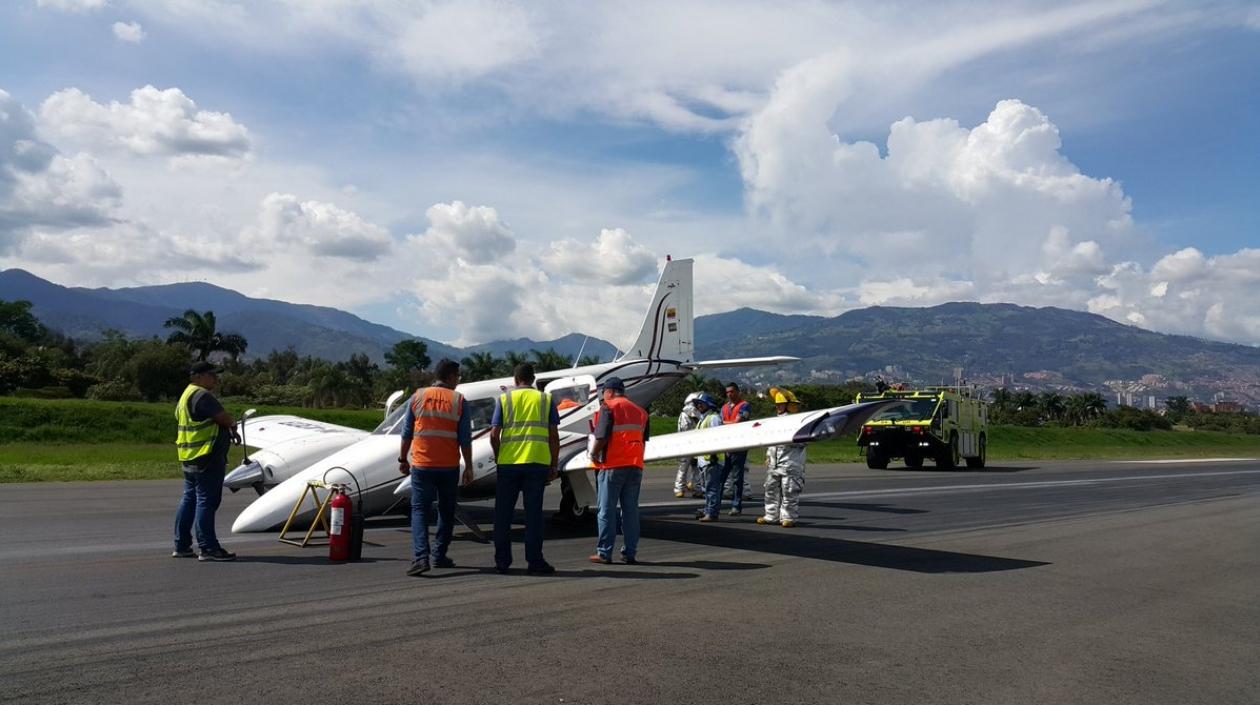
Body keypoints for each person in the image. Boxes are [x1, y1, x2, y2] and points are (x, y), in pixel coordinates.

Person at [397, 359, 474, 577]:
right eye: (458, 376)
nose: (458, 380)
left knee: (420, 510)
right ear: (450, 377)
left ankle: (421, 558)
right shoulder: (459, 401)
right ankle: (439, 555)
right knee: (446, 510)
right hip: (449, 466)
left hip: (422, 465)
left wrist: (403, 459)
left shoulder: (418, 396)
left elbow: (407, 433)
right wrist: (468, 466)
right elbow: (465, 439)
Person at [490, 363, 561, 575]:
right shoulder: (545, 399)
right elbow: (553, 436)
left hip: (509, 465)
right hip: (537, 463)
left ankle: (502, 561)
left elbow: (494, 435)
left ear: (515, 380)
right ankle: (535, 561)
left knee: (503, 515)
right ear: (533, 379)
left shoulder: (505, 399)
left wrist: (499, 457)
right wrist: (554, 464)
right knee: (533, 515)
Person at [173, 361, 241, 561]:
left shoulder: (185, 395)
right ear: (198, 377)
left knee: (189, 499)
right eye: (211, 374)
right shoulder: (203, 395)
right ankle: (208, 547)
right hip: (207, 457)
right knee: (206, 501)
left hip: (189, 457)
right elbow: (224, 418)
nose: (215, 378)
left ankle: (182, 545)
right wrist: (233, 424)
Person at [587, 377, 650, 564]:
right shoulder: (641, 412)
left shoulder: (608, 408)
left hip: (612, 466)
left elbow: (601, 436)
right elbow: (643, 440)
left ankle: (604, 552)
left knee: (606, 510)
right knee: (630, 510)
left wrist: (593, 454)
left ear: (609, 392)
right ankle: (630, 552)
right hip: (635, 466)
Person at [757, 388, 806, 528]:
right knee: (770, 489)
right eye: (777, 404)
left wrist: (790, 439)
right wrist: (768, 456)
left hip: (791, 463)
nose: (778, 406)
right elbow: (771, 442)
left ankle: (788, 517)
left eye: (781, 404)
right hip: (774, 463)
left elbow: (804, 441)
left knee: (789, 490)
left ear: (788, 405)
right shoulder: (774, 421)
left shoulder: (798, 421)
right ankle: (771, 516)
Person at [719, 382, 753, 514]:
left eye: (732, 391)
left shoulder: (745, 405)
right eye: (727, 392)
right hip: (726, 445)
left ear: (738, 392)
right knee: (722, 477)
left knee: (738, 478)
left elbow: (737, 422)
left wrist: (724, 424)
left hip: (739, 445)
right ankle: (716, 503)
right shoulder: (724, 407)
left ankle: (736, 505)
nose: (729, 394)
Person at [691, 394, 725, 522]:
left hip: (712, 460)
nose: (699, 406)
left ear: (708, 405)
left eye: (701, 403)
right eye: (697, 403)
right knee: (707, 488)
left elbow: (717, 438)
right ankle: (708, 509)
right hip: (704, 461)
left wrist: (714, 455)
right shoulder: (702, 419)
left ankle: (712, 513)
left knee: (712, 488)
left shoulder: (713, 418)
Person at [673, 392, 703, 498]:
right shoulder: (685, 415)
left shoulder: (699, 415)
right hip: (685, 445)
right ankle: (679, 488)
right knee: (683, 467)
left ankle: (695, 487)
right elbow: (684, 430)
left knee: (697, 468)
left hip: (696, 445)